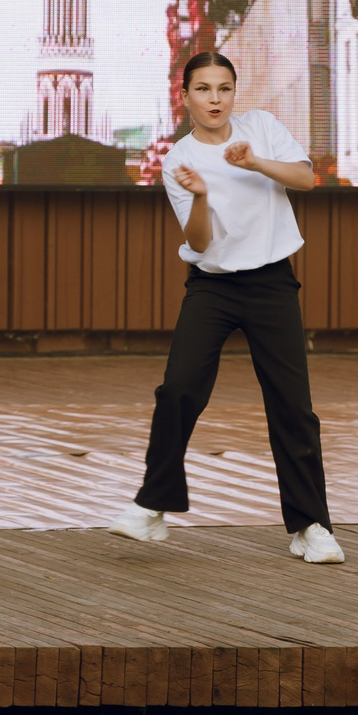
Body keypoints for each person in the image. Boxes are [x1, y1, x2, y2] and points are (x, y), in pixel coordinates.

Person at [108, 52, 342, 563]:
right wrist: (200, 196)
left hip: (272, 284)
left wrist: (254, 162)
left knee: (292, 406)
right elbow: (200, 241)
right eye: (203, 89)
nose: (215, 99)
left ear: (235, 92)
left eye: (224, 88)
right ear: (185, 96)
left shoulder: (262, 127)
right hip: (212, 288)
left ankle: (311, 526)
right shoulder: (179, 159)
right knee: (178, 390)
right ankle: (152, 506)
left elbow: (305, 179)